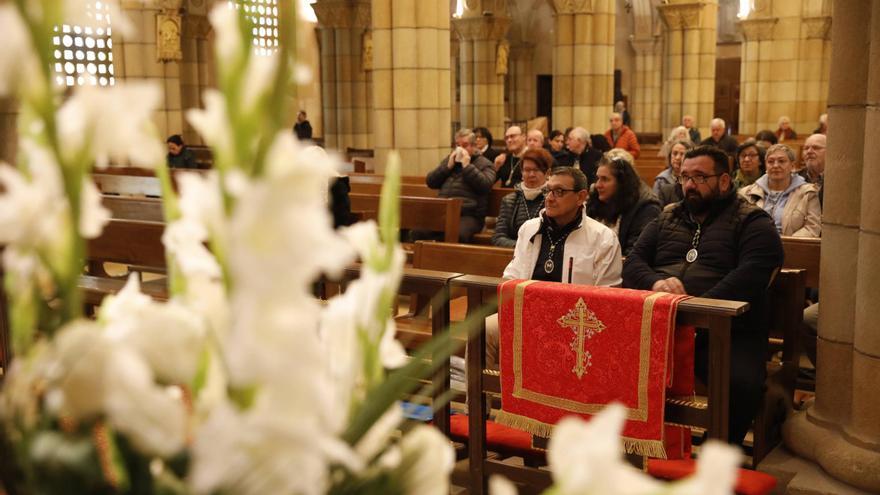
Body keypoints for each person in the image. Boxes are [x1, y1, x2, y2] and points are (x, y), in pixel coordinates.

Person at [623, 145, 784, 446]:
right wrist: (657, 282)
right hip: (660, 325)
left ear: (724, 181)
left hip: (727, 333)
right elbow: (633, 263)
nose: (689, 185)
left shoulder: (753, 222)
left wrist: (694, 309)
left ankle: (718, 453)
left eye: (699, 177)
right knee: (609, 359)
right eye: (685, 177)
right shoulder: (667, 216)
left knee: (739, 383)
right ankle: (637, 447)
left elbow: (751, 275)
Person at [483, 167, 622, 369]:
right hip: (528, 316)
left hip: (576, 326)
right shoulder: (529, 229)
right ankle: (482, 401)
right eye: (547, 190)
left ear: (580, 196)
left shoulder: (602, 238)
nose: (549, 198)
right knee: (482, 331)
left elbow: (609, 298)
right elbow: (511, 276)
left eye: (559, 192)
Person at [425, 128, 496, 243]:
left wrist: (467, 166)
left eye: (465, 145)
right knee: (418, 231)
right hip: (444, 212)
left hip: (469, 215)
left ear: (474, 147)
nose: (460, 149)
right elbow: (430, 182)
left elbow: (485, 185)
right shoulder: (449, 161)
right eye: (457, 145)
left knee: (458, 235)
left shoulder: (485, 164)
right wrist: (446, 168)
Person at [587, 150, 661, 256]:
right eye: (598, 178)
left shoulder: (646, 207)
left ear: (622, 182)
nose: (598, 185)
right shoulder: (597, 199)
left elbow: (636, 254)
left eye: (605, 179)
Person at [739, 144, 822, 237]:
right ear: (766, 165)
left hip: (791, 247)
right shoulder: (746, 193)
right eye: (770, 162)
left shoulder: (808, 193)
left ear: (792, 165)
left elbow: (812, 228)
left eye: (781, 161)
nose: (775, 165)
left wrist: (786, 244)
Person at [492, 148, 551, 248]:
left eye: (536, 170)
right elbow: (498, 237)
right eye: (527, 170)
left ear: (547, 173)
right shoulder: (509, 200)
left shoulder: (553, 200)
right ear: (522, 173)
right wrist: (523, 248)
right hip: (515, 255)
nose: (531, 174)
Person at [654, 140, 693, 207]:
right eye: (675, 154)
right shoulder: (661, 179)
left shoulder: (693, 179)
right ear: (670, 156)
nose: (677, 158)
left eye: (682, 154)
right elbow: (655, 207)